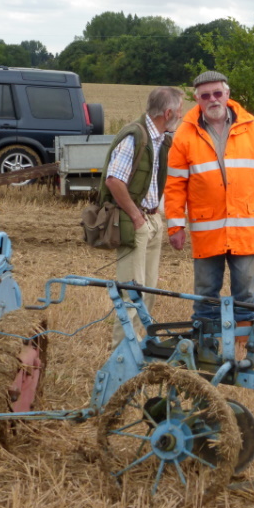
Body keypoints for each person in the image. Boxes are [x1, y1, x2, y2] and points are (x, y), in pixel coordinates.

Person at [164, 70, 254, 338]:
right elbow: (175, 184)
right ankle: (206, 344)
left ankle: (244, 345)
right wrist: (175, 226)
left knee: (245, 291)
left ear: (227, 94)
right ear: (197, 99)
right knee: (206, 292)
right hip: (207, 228)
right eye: (206, 96)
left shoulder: (252, 127)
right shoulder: (184, 134)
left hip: (244, 225)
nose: (213, 99)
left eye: (218, 93)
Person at [100, 86, 184, 348]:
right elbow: (114, 180)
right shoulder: (135, 137)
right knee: (132, 292)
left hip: (152, 219)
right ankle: (122, 351)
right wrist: (137, 218)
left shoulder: (159, 139)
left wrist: (154, 218)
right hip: (136, 222)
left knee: (148, 292)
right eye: (179, 111)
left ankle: (136, 344)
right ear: (168, 113)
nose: (181, 116)